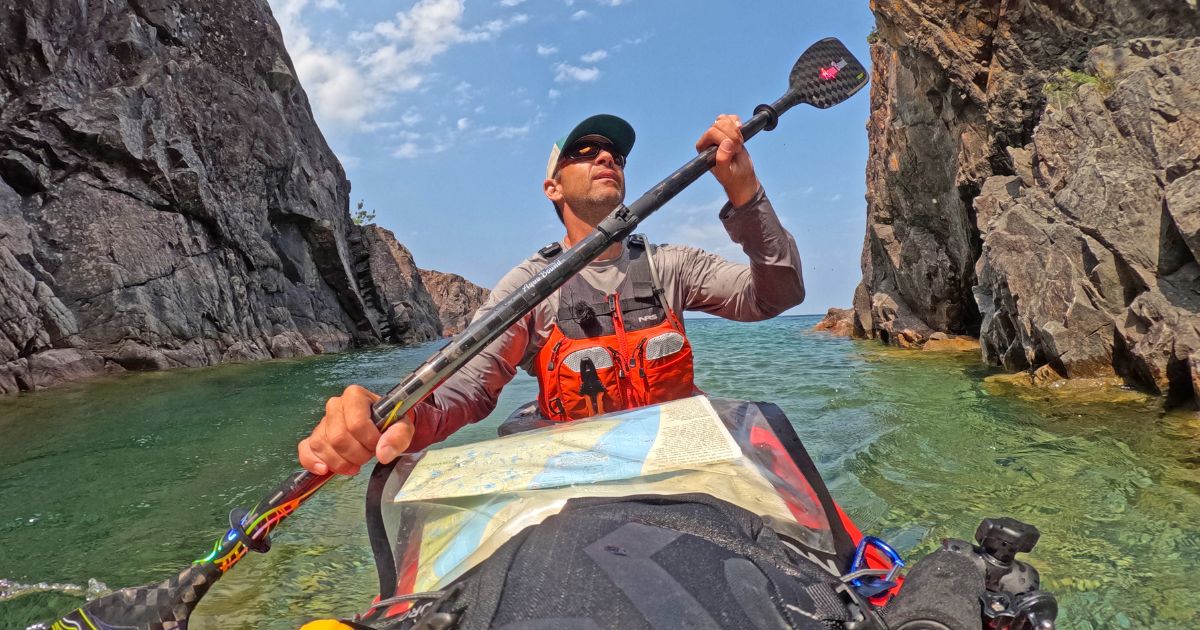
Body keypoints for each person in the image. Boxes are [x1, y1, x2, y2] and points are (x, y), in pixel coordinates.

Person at [298, 113, 805, 476]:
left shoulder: (671, 264)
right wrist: (403, 415)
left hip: (679, 461)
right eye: (584, 152)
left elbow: (774, 296)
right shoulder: (528, 287)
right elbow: (469, 387)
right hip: (578, 472)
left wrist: (745, 193)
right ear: (553, 188)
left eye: (615, 154)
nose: (606, 156)